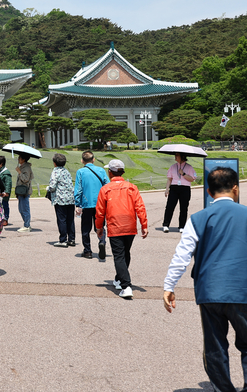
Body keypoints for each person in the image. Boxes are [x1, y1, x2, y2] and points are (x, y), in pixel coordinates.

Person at [163, 167, 247, 392]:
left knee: (215, 346)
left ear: (209, 192)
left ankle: (223, 389)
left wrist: (169, 286)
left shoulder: (198, 218)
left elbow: (182, 255)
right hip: (243, 290)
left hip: (210, 291)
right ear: (236, 188)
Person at [95, 159, 148, 299]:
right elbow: (140, 207)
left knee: (119, 255)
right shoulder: (132, 187)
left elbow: (100, 211)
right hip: (130, 225)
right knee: (125, 253)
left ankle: (126, 285)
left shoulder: (105, 189)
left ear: (110, 172)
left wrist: (98, 227)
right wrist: (144, 225)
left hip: (115, 225)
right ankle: (119, 279)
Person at [74, 151, 110, 260]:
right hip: (100, 203)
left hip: (86, 203)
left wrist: (77, 203)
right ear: (93, 159)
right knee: (99, 226)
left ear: (82, 161)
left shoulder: (80, 172)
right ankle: (101, 241)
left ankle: (87, 251)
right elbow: (107, 185)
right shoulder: (101, 170)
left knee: (85, 228)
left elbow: (78, 190)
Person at [162, 153, 197, 233]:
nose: (175, 156)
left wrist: (183, 174)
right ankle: (166, 225)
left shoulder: (189, 167)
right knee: (169, 207)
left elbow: (192, 179)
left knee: (183, 208)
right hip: (174, 188)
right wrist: (167, 189)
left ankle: (182, 226)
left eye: (177, 155)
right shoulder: (173, 167)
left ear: (183, 156)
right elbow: (169, 179)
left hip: (185, 188)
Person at [49, 153, 76, 248]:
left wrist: (48, 188)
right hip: (70, 198)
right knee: (70, 219)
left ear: (54, 163)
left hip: (60, 199)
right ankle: (71, 239)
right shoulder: (66, 171)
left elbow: (52, 186)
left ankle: (63, 240)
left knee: (62, 220)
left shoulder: (55, 171)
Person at [15, 154, 33, 232]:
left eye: (19, 158)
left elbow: (25, 179)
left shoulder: (26, 168)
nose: (18, 159)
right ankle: (26, 224)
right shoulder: (23, 167)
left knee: (24, 208)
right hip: (21, 191)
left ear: (23, 159)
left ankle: (27, 225)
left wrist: (19, 172)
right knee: (21, 209)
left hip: (24, 191)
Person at [0, 156, 13, 226]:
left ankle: (5, 219)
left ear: (1, 163)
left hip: (4, 193)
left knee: (5, 206)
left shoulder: (6, 172)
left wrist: (7, 192)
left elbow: (8, 183)